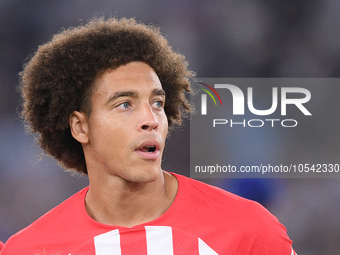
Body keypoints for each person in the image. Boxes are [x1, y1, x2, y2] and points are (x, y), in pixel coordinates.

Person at [0, 17, 297, 254]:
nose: (151, 119)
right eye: (125, 104)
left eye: (157, 103)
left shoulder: (250, 231)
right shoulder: (30, 249)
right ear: (80, 127)